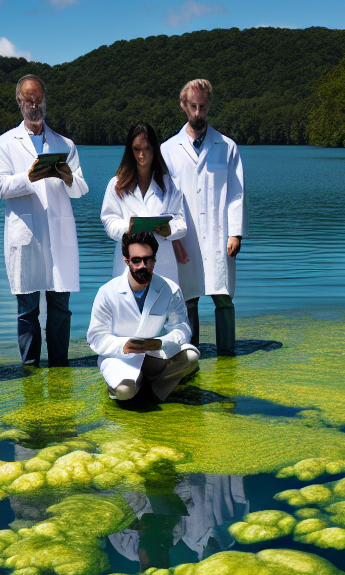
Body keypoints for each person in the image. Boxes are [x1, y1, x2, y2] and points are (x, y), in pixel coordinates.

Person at [0, 74, 88, 367]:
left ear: (45, 100)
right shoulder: (4, 143)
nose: (34, 105)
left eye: (39, 99)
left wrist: (69, 177)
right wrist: (28, 177)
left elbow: (81, 189)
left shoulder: (65, 144)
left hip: (59, 234)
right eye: (29, 100)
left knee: (60, 307)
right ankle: (30, 367)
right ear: (19, 102)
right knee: (27, 309)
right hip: (26, 235)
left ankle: (59, 364)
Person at [161, 78, 245, 355]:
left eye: (203, 107)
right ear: (184, 106)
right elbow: (166, 200)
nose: (198, 113)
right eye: (193, 107)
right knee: (189, 298)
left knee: (223, 298)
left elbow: (236, 193)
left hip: (220, 235)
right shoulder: (168, 149)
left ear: (209, 106)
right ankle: (189, 353)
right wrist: (173, 238)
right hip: (185, 235)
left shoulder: (227, 146)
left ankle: (227, 353)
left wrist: (235, 232)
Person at [86, 230, 199, 402]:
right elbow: (96, 337)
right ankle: (137, 386)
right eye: (136, 260)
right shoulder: (107, 292)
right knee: (125, 393)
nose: (142, 266)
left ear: (155, 259)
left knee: (191, 357)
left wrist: (161, 343)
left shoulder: (170, 289)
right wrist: (125, 345)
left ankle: (152, 389)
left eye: (148, 259)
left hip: (154, 355)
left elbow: (182, 329)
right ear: (126, 260)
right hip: (120, 358)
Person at [101, 122, 188, 284]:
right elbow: (109, 219)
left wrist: (169, 230)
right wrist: (128, 229)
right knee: (128, 305)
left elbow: (181, 221)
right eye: (136, 149)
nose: (141, 155)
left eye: (147, 149)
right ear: (129, 150)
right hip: (128, 261)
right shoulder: (116, 185)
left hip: (162, 262)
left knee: (162, 306)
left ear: (154, 149)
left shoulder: (169, 184)